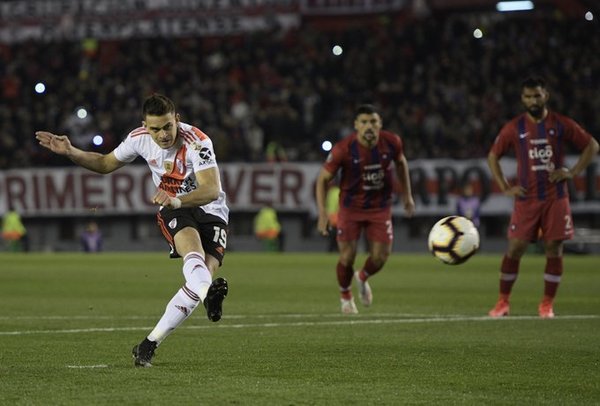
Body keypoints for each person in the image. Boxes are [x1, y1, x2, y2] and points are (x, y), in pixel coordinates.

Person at [36, 93, 230, 367]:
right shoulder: (139, 138)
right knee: (196, 268)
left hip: (211, 210)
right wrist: (71, 151)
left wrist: (177, 198)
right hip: (175, 209)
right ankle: (149, 345)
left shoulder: (198, 142)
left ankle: (206, 292)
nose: (162, 135)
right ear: (145, 125)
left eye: (167, 127)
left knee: (200, 280)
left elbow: (211, 189)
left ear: (177, 120)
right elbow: (105, 164)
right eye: (155, 129)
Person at [487, 76, 599, 319]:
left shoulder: (560, 123)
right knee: (515, 248)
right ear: (522, 99)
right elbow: (493, 156)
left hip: (555, 198)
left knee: (554, 248)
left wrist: (573, 172)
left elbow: (592, 145)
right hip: (526, 199)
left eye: (537, 95)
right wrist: (505, 187)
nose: (532, 100)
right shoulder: (514, 127)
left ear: (545, 96)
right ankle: (502, 302)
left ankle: (547, 304)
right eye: (528, 96)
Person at [315, 104, 415, 314]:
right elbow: (322, 179)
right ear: (356, 125)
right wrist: (323, 213)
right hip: (350, 209)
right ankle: (345, 296)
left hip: (380, 207)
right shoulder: (343, 149)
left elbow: (401, 163)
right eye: (364, 122)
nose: (369, 126)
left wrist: (407, 195)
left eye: (373, 122)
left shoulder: (392, 142)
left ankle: (362, 277)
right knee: (347, 257)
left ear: (380, 124)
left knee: (380, 257)